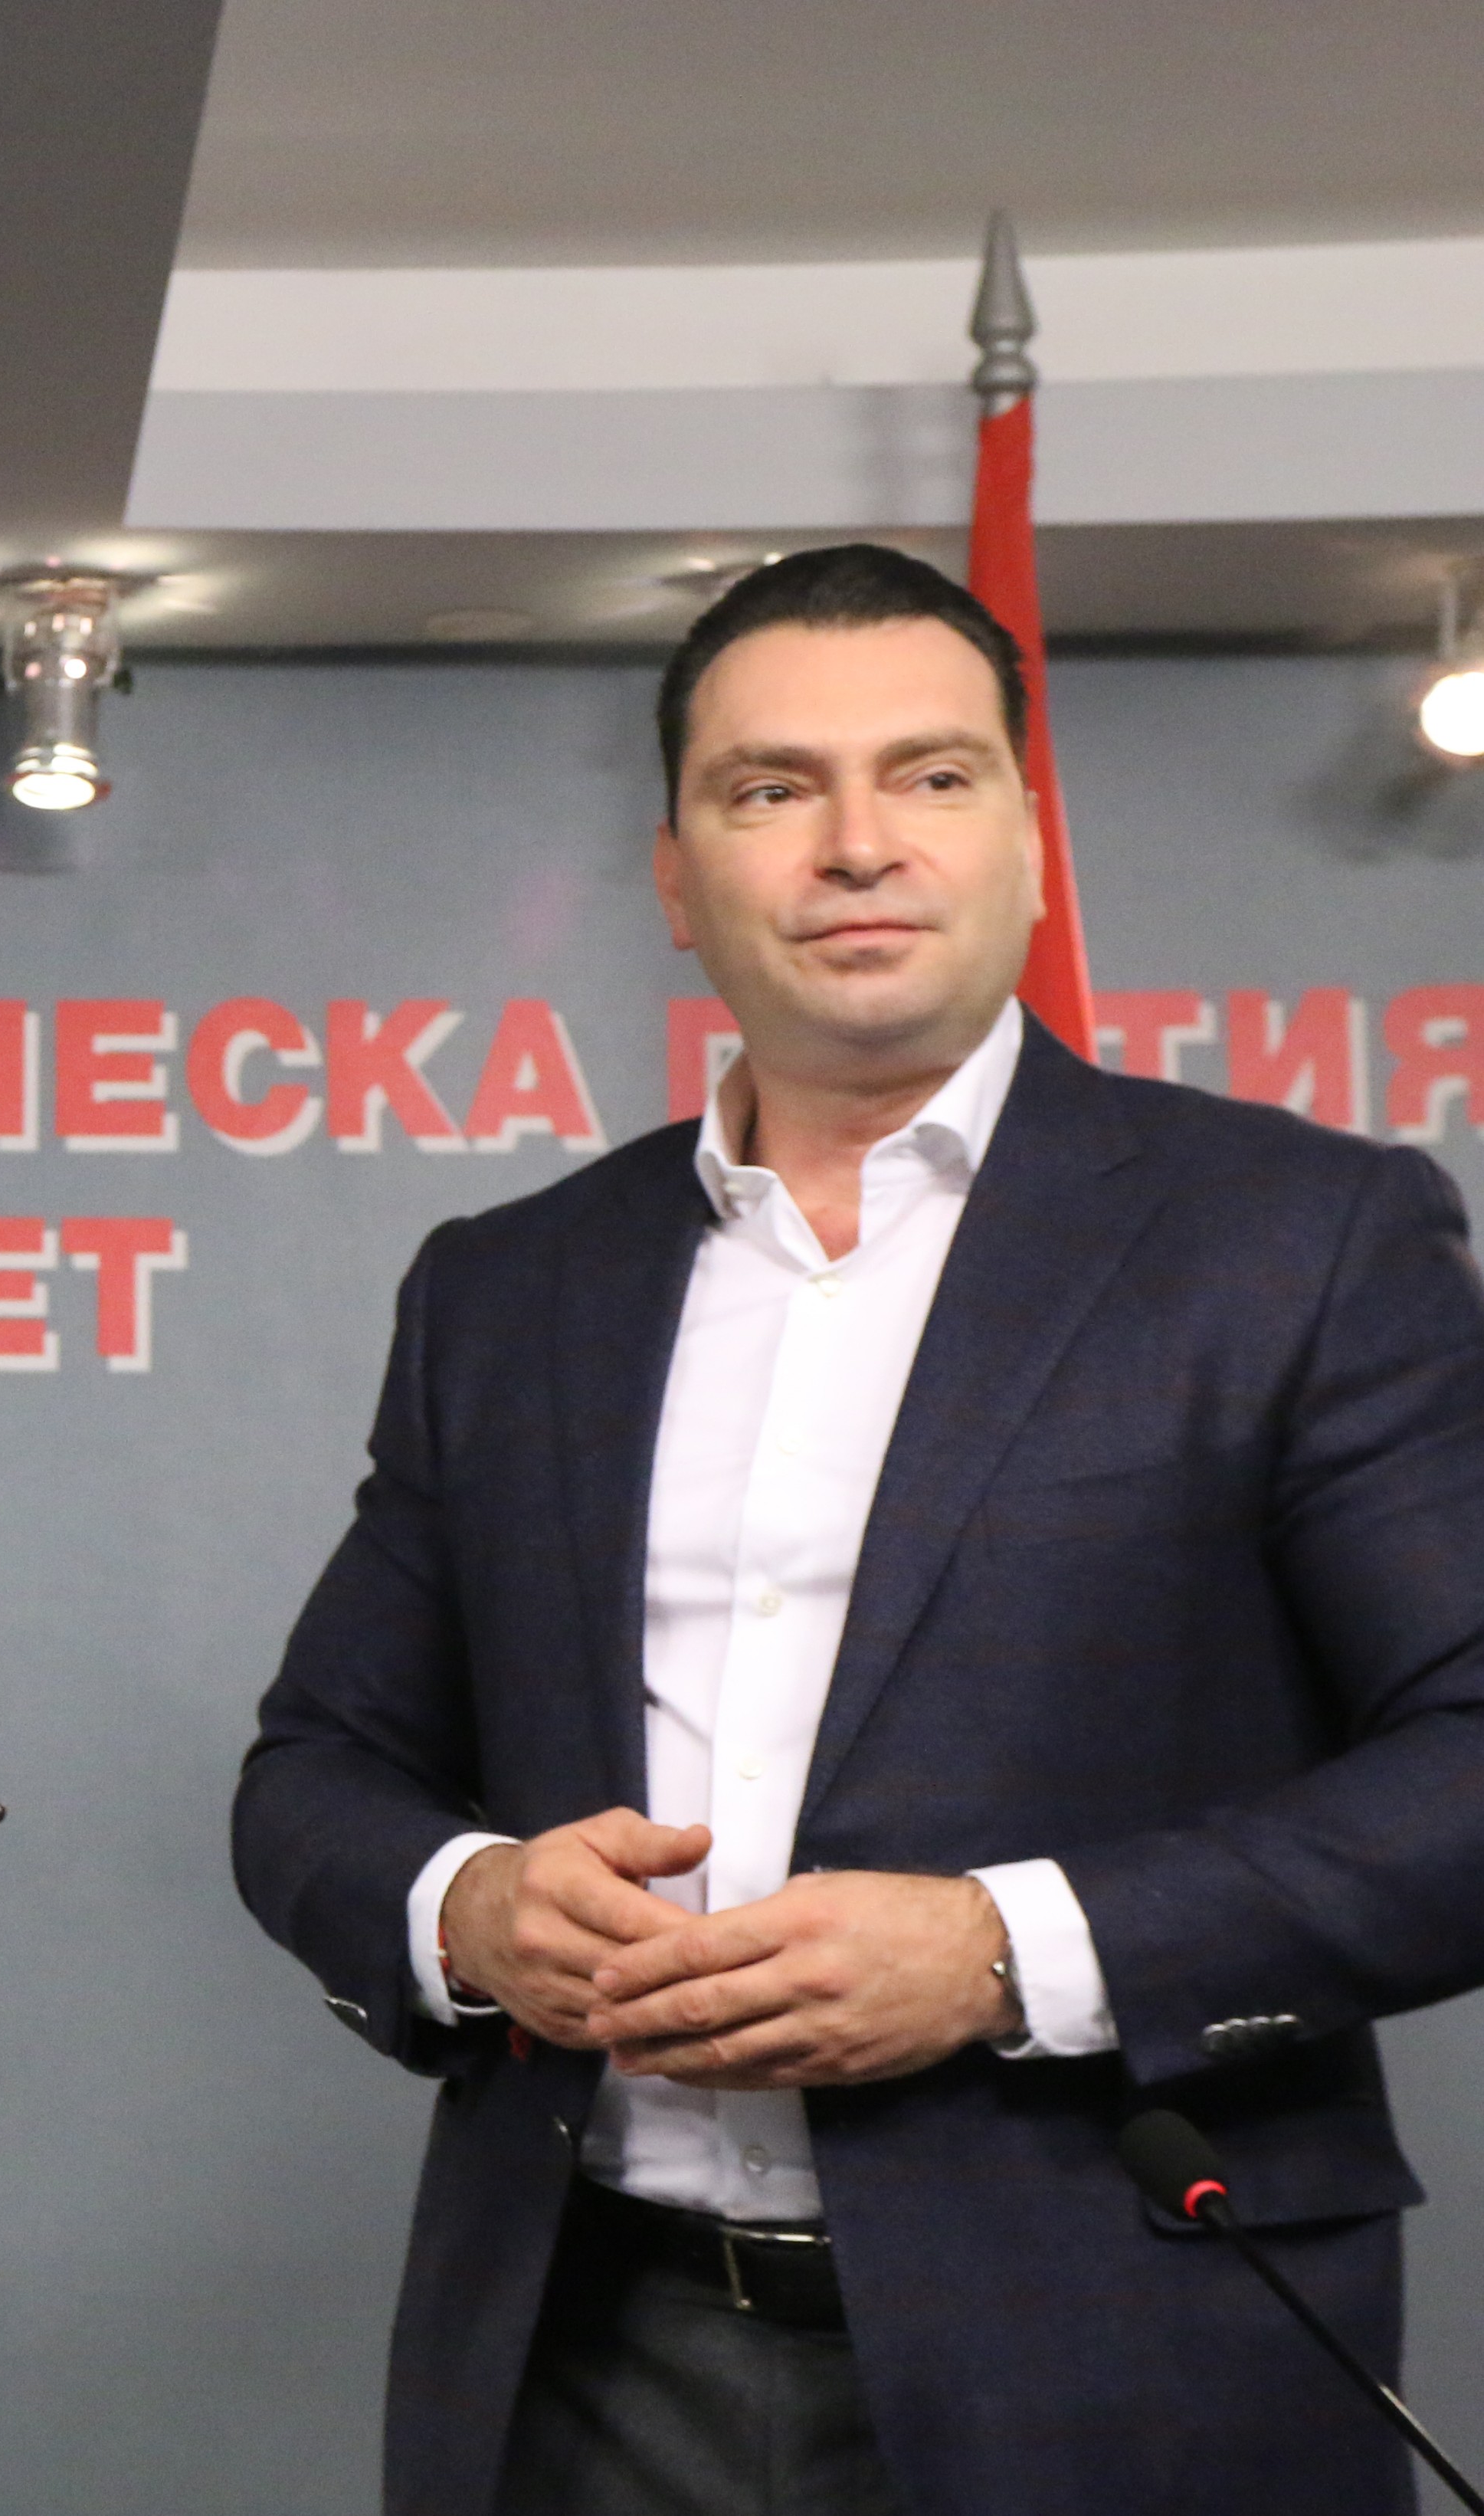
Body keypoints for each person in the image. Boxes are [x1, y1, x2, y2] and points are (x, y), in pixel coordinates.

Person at [233, 543, 1484, 2516]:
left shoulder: (1300, 1238)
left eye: (929, 774)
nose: (854, 843)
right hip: (585, 2360)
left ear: (1026, 843)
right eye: (768, 787)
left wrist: (1003, 1952)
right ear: (675, 879)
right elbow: (316, 1767)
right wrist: (465, 1907)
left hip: (1117, 2355)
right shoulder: (507, 1285)